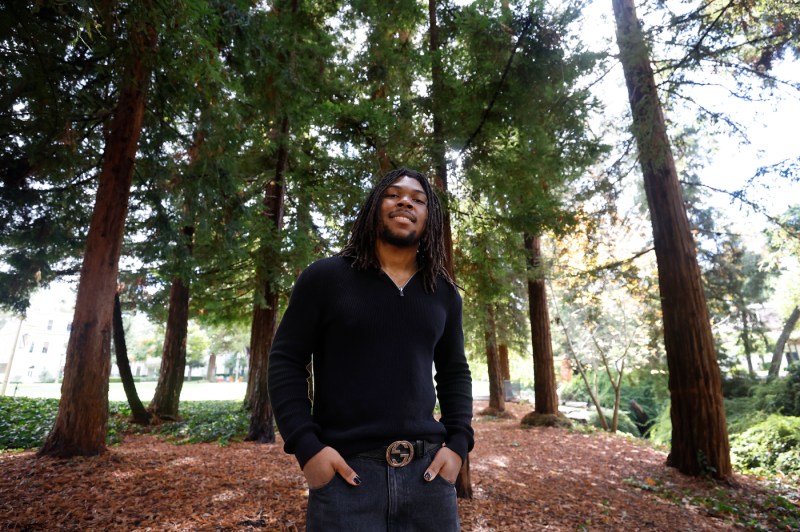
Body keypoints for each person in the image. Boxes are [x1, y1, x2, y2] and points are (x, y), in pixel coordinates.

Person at [268, 167, 474, 531]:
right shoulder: (325, 278)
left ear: (430, 219)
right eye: (393, 194)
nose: (405, 200)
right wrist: (307, 448)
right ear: (375, 207)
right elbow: (286, 361)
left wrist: (458, 445)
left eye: (418, 198)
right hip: (346, 478)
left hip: (428, 480)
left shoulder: (443, 294)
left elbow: (455, 371)